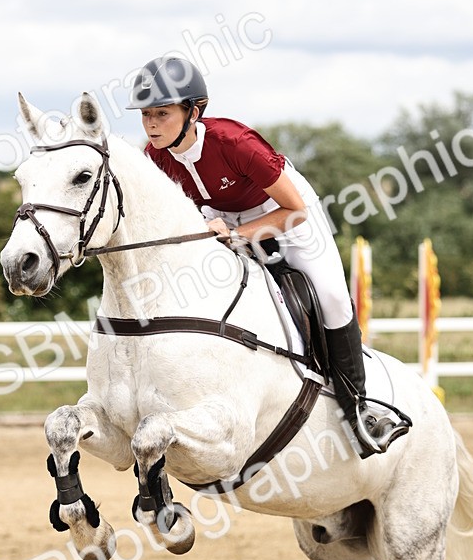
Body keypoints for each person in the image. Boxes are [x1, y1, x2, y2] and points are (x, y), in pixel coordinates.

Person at [126, 54, 410, 458]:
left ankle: (359, 410)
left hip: (284, 212)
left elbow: (294, 210)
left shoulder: (235, 143)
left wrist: (236, 235)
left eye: (162, 113)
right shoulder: (155, 156)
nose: (152, 124)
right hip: (221, 217)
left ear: (193, 112)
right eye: (146, 114)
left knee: (331, 295)